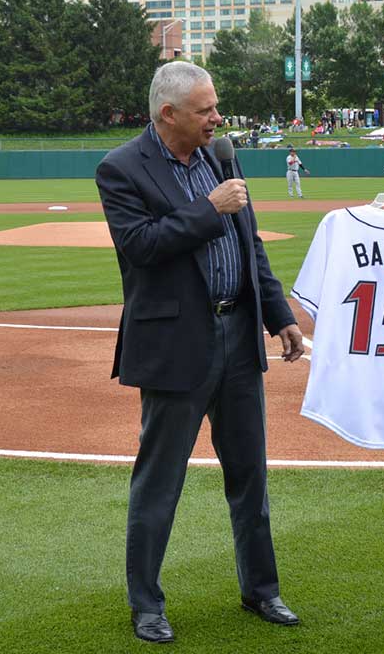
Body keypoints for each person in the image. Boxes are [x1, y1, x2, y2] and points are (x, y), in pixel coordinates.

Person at [95, 62, 304, 644]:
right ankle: (147, 604)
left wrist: (278, 314)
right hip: (174, 345)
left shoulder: (223, 154)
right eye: (207, 109)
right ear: (169, 115)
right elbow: (141, 247)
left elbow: (250, 243)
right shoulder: (121, 168)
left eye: (216, 107)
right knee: (159, 482)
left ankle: (262, 591)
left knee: (250, 477)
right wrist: (209, 208)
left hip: (238, 337)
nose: (219, 118)